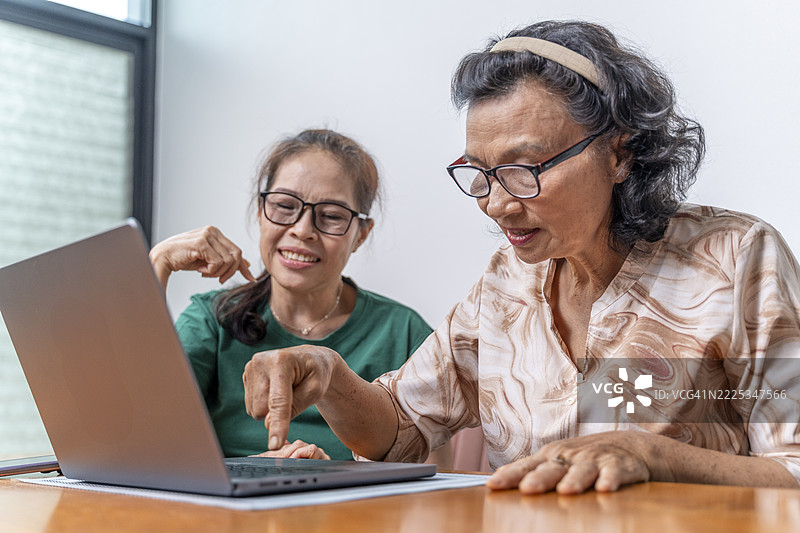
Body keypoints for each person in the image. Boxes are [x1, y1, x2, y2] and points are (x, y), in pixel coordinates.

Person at [241, 21, 800, 493]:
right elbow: (400, 428)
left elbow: (793, 472)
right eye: (480, 175)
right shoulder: (507, 283)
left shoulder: (735, 259)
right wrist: (332, 375)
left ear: (619, 152)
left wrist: (651, 455)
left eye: (525, 169)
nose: (498, 204)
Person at [149, 129, 441, 462]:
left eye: (330, 216)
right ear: (260, 211)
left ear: (361, 235)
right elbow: (142, 434)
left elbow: (434, 472)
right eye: (285, 206)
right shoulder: (212, 319)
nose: (302, 230)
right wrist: (158, 264)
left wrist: (335, 479)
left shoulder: (403, 332)